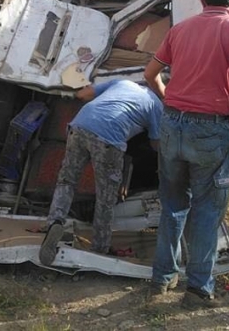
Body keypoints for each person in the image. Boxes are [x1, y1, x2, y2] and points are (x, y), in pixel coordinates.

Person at [143, 0, 229, 308]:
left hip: (172, 124)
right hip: (211, 128)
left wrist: (169, 103)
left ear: (203, 1)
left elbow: (150, 74)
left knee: (173, 204)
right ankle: (198, 289)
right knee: (207, 210)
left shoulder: (179, 30)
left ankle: (162, 279)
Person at [40, 79, 163, 266]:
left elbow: (82, 94)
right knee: (106, 197)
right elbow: (156, 143)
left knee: (66, 181)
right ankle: (100, 247)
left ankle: (54, 223)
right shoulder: (156, 104)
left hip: (79, 125)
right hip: (108, 138)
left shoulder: (122, 82)